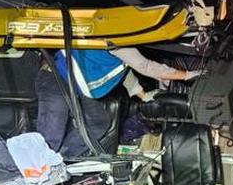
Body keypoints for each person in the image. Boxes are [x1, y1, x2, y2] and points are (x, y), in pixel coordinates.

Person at [36, 47, 201, 156]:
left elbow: (124, 72)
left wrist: (143, 95)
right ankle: (33, 177)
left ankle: (62, 159)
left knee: (99, 121)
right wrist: (187, 75)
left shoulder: (124, 47)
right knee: (51, 135)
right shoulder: (119, 39)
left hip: (78, 87)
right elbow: (146, 66)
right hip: (56, 79)